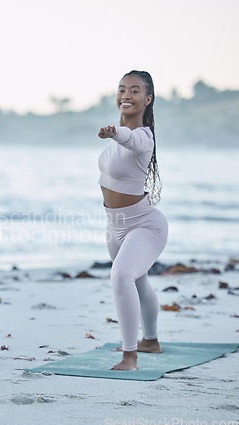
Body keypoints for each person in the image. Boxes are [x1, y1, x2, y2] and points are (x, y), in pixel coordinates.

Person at [97, 70, 168, 370]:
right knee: (138, 281)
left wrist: (116, 133)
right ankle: (149, 340)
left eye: (135, 90)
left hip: (145, 226)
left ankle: (130, 356)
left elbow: (129, 138)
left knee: (121, 276)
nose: (126, 94)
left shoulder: (142, 137)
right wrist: (114, 137)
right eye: (122, 89)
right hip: (115, 226)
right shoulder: (115, 142)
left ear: (148, 99)